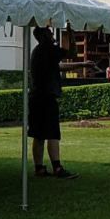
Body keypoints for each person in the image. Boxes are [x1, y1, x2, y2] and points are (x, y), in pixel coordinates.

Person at [27, 26, 74, 178]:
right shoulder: (49, 49)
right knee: (53, 133)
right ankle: (57, 168)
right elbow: (72, 53)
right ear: (44, 36)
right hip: (47, 97)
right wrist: (71, 33)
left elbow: (56, 67)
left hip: (35, 97)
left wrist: (82, 65)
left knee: (38, 134)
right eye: (50, 33)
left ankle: (39, 168)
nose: (53, 35)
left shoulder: (37, 51)